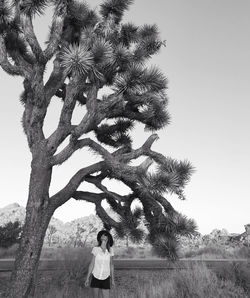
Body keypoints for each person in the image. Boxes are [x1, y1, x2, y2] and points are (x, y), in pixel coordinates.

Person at [85, 230, 115, 298]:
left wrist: (112, 280)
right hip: (96, 276)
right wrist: (87, 278)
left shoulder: (111, 250)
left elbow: (111, 265)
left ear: (108, 237)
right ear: (100, 238)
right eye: (102, 235)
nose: (103, 236)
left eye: (105, 235)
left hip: (106, 277)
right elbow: (92, 264)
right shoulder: (95, 249)